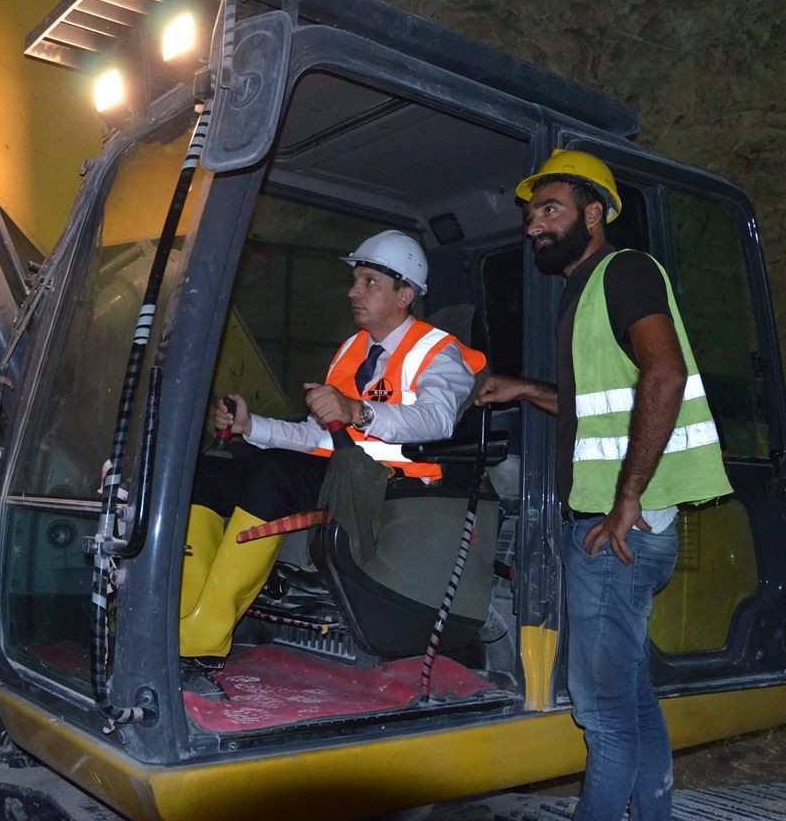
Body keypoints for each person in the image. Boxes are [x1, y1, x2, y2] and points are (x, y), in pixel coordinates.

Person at [476, 150, 731, 821]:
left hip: (616, 535)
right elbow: (605, 401)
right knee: (630, 698)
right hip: (615, 529)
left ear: (595, 214)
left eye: (550, 210)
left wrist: (626, 501)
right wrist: (528, 388)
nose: (535, 226)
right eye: (531, 215)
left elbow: (664, 375)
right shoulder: (586, 289)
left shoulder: (626, 272)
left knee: (604, 715)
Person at [180, 229, 486, 668]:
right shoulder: (352, 351)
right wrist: (251, 425)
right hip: (336, 473)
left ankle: (204, 636)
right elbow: (318, 435)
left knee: (274, 474)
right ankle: (183, 615)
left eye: (369, 283)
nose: (353, 292)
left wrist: (358, 410)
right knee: (204, 475)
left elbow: (436, 419)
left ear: (405, 294)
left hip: (394, 485)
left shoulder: (438, 352)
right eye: (355, 280)